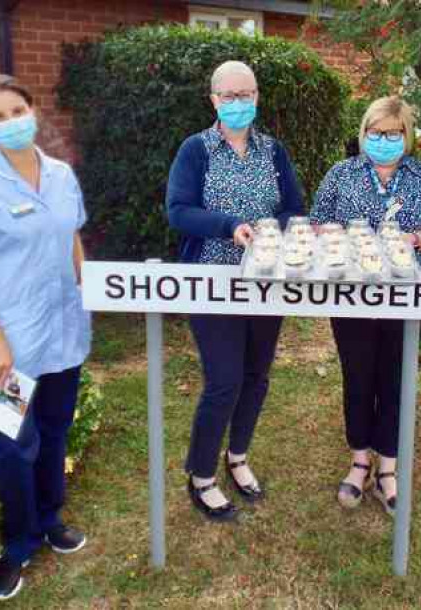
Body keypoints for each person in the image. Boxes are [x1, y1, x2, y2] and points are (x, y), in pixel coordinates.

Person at [0, 74, 92, 600]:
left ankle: (50, 521)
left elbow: (72, 236)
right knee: (12, 446)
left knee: (54, 430)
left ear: (34, 111)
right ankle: (16, 546)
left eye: (17, 110)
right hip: (10, 347)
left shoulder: (60, 175)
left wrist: (88, 288)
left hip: (62, 335)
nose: (10, 122)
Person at [166, 60, 304, 522]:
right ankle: (202, 475)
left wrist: (270, 227)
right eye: (230, 96)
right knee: (223, 381)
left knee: (256, 377)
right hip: (212, 282)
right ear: (214, 100)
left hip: (267, 281)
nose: (239, 103)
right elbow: (178, 211)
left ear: (257, 98)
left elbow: (295, 211)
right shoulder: (195, 150)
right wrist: (229, 227)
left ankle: (238, 457)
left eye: (246, 95)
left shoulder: (273, 151)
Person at [310, 96, 421, 515]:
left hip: (407, 295)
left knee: (396, 379)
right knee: (358, 376)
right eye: (376, 132)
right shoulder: (342, 174)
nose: (383, 140)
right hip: (352, 295)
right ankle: (359, 462)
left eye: (393, 133)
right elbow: (316, 221)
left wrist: (413, 239)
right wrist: (340, 235)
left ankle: (388, 471)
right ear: (364, 133)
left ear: (406, 135)